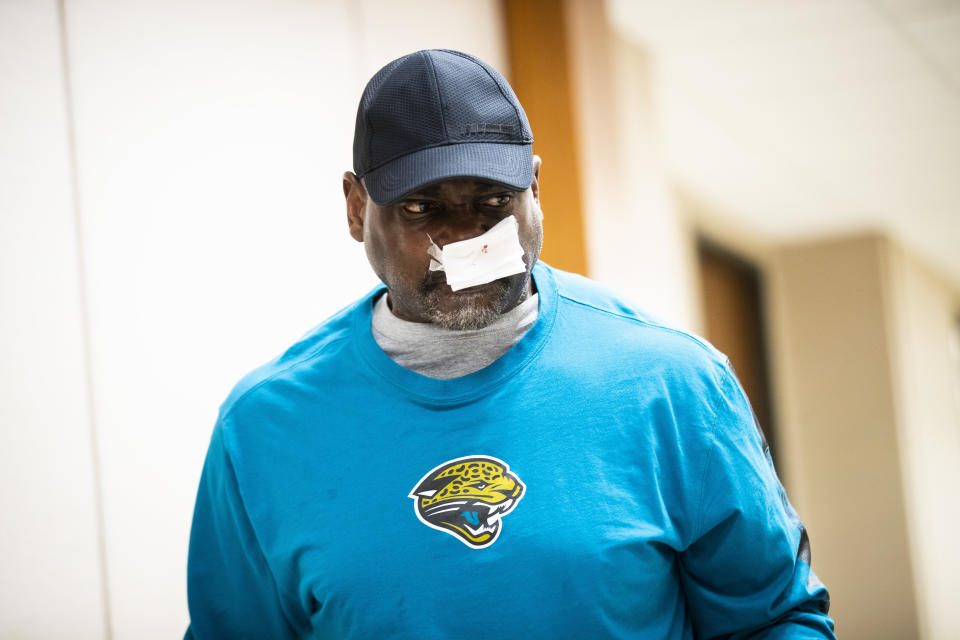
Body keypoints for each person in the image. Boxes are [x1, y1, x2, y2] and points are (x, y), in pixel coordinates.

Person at [185, 49, 834, 639]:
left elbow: (774, 620)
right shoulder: (264, 427)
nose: (466, 243)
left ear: (536, 192)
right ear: (357, 208)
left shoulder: (672, 382)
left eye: (494, 202)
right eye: (422, 209)